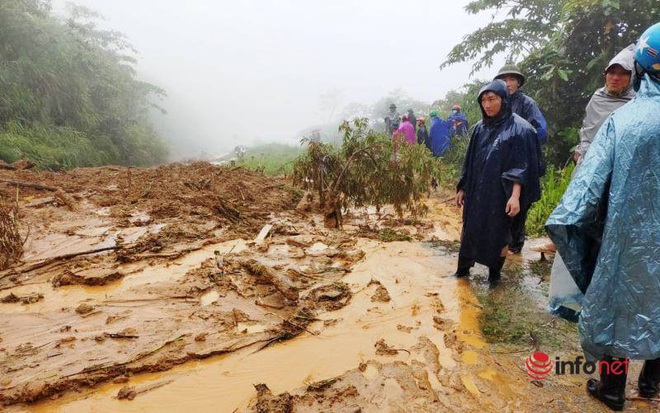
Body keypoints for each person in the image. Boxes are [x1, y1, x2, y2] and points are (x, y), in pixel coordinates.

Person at [546, 23, 660, 411]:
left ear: (638, 71)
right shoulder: (609, 110)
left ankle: (613, 389)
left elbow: (585, 195)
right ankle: (651, 382)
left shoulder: (624, 122)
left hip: (627, 238)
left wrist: (575, 233)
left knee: (617, 303)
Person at [454, 80, 541, 287]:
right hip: (477, 191)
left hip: (502, 193)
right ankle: (462, 272)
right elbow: (469, 160)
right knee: (470, 230)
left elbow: (522, 166)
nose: (487, 105)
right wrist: (463, 187)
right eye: (483, 100)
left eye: (492, 99)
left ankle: (494, 276)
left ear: (503, 99)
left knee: (499, 232)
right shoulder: (478, 129)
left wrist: (515, 196)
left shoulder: (520, 129)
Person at [494, 63, 548, 254]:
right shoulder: (498, 103)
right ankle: (504, 242)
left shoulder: (527, 103)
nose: (508, 83)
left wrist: (520, 139)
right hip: (503, 163)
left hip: (524, 162)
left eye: (511, 79)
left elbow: (540, 130)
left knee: (520, 204)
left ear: (518, 82)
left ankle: (516, 247)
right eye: (504, 79)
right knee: (502, 202)